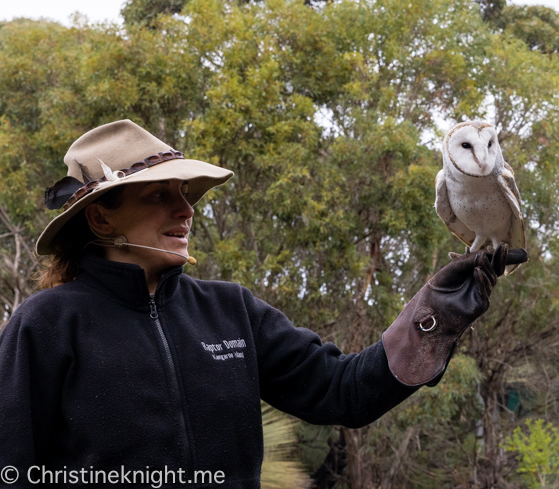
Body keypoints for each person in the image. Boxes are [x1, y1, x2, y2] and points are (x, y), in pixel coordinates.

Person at [0, 120, 525, 488]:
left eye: (185, 193)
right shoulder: (46, 324)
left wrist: (433, 316)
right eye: (159, 194)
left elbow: (343, 393)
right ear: (100, 219)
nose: (186, 209)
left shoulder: (230, 311)